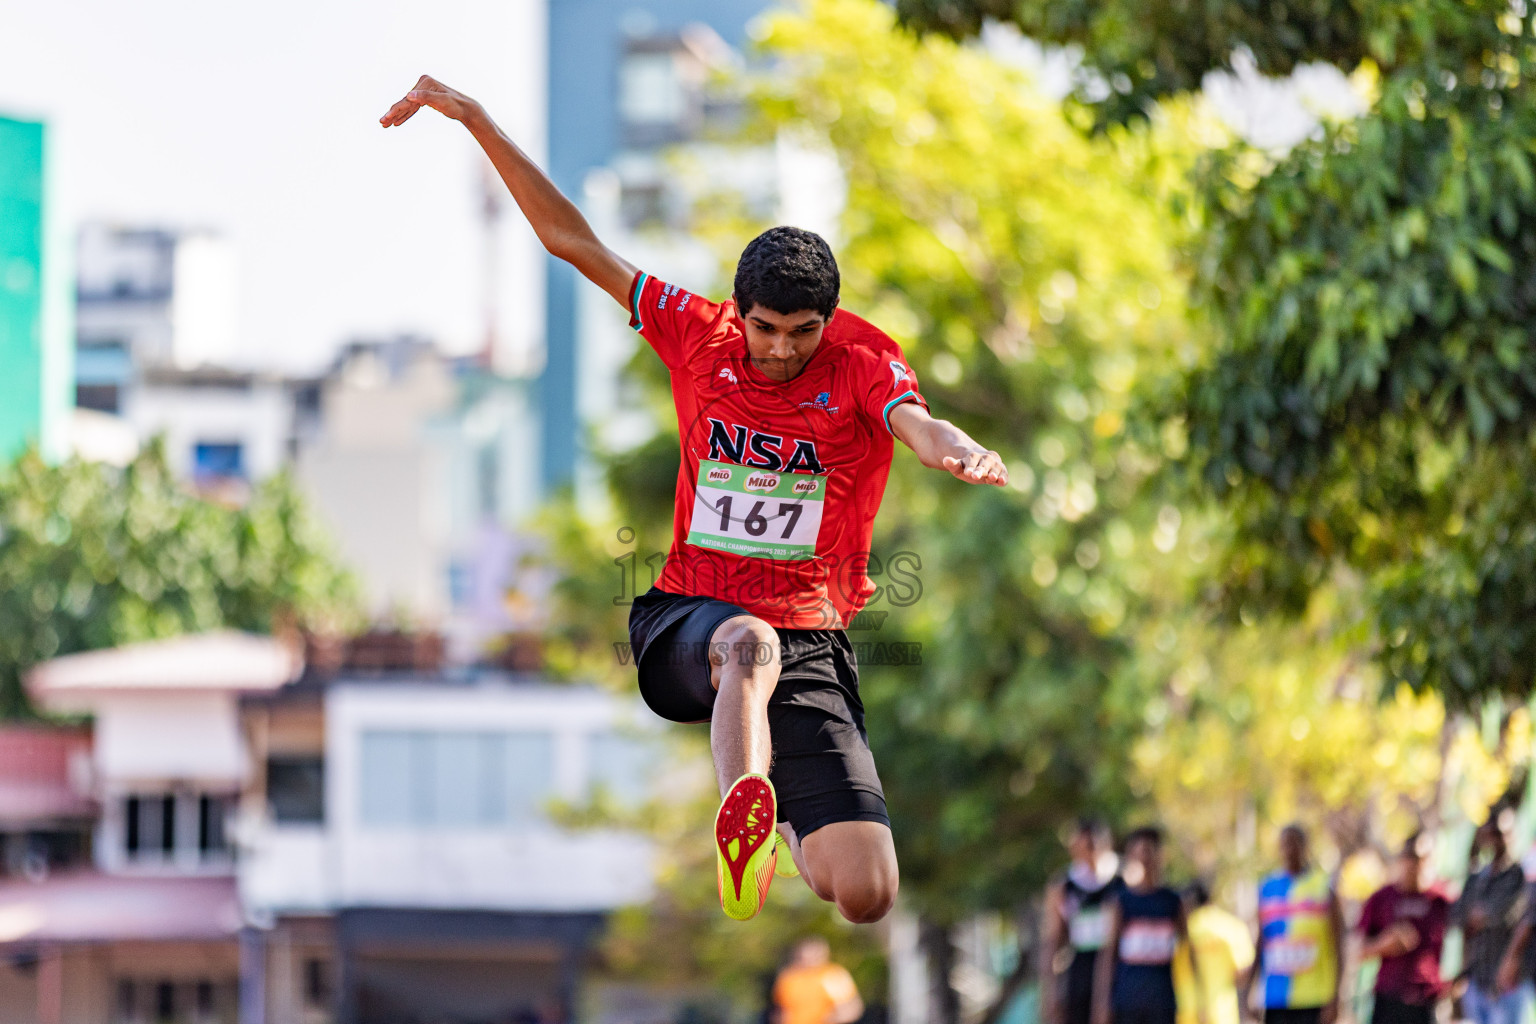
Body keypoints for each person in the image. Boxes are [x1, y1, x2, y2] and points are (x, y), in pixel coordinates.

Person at [380, 78, 1009, 923]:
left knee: (864, 891)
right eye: (765, 329)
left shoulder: (863, 361)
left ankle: (779, 821)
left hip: (813, 635)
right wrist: (477, 120)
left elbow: (916, 425)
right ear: (740, 312)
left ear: (829, 321)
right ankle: (742, 817)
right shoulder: (696, 331)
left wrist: (961, 451)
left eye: (803, 332)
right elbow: (573, 241)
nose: (782, 350)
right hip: (689, 619)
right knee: (748, 644)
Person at [1094, 826, 1203, 1024]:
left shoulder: (1173, 901)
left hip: (1162, 1000)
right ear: (1131, 854)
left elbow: (1188, 949)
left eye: (1150, 849)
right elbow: (1108, 955)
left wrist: (1200, 1001)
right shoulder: (1121, 902)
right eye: (1140, 849)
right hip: (1128, 1000)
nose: (1146, 856)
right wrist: (1102, 1004)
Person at [1249, 824, 1344, 1024]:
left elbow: (1339, 944)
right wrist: (1249, 990)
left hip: (1314, 998)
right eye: (1284, 844)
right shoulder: (1267, 888)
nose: (1289, 850)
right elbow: (1261, 941)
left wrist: (1336, 996)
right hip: (1276, 998)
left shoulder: (1323, 887)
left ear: (1305, 846)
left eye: (1294, 843)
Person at [1358, 833, 1450, 1024]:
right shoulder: (1382, 898)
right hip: (1388, 996)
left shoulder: (1441, 901)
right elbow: (1357, 948)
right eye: (1410, 858)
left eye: (1421, 859)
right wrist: (1383, 944)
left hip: (1426, 998)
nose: (1414, 865)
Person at [1043, 819, 1127, 1024]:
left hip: (1120, 969)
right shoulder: (1064, 886)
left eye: (1094, 844)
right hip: (1081, 971)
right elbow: (1053, 940)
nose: (1090, 850)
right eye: (1084, 844)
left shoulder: (1122, 881)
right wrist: (1050, 992)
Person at [1456, 810, 1527, 1024]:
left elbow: (1504, 915)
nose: (1496, 839)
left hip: (1506, 984)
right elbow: (1461, 918)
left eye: (1500, 833)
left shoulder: (1518, 876)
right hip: (1476, 979)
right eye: (1492, 833)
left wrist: (1482, 916)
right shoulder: (1476, 878)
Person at [1174, 881, 1253, 1024]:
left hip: (1187, 1013)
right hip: (1223, 1013)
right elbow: (1243, 973)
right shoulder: (1231, 927)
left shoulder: (1182, 930)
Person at [773, 937, 864, 1024]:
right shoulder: (789, 977)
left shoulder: (833, 975)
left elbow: (852, 1007)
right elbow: (780, 1009)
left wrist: (834, 1018)